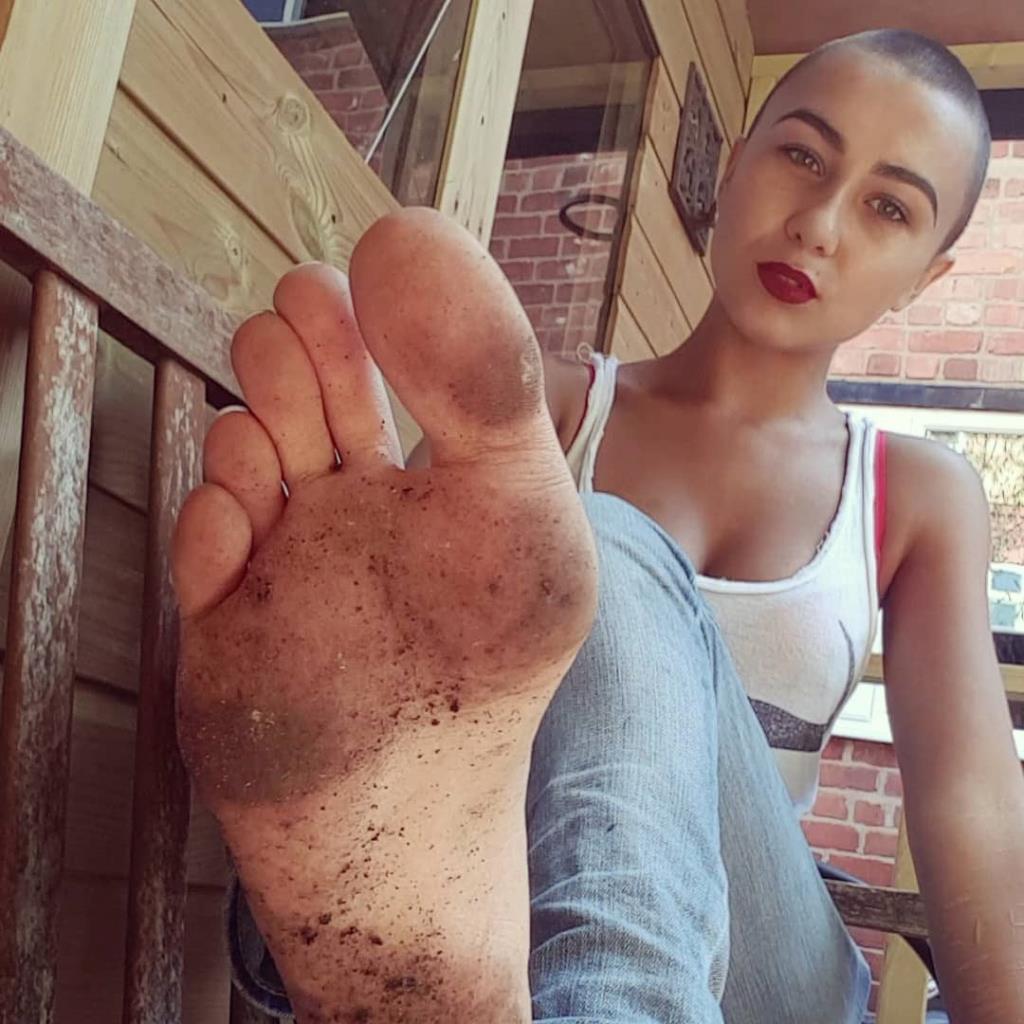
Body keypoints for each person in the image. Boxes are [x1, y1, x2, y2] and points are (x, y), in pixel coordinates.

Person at [172, 27, 1024, 1024]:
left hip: (765, 979)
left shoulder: (912, 491)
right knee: (494, 604)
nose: (819, 224)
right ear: (734, 163)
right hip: (509, 898)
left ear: (926, 274)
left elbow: (969, 800)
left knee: (604, 546)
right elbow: (400, 662)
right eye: (801, 154)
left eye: (888, 207)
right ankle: (421, 944)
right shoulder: (545, 417)